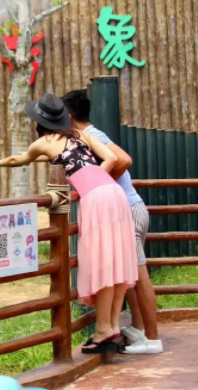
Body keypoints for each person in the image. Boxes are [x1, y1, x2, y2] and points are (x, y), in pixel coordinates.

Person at [0, 93, 139, 354]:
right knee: (115, 263)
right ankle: (111, 326)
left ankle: (102, 331)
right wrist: (97, 178)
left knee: (101, 264)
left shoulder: (44, 142)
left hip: (96, 199)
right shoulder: (82, 134)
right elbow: (110, 158)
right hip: (114, 194)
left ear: (39, 121)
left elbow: (18, 159)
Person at [62, 89, 163, 354]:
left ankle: (153, 339)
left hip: (126, 210)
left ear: (70, 116)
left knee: (139, 277)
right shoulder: (87, 136)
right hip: (127, 208)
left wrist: (98, 182)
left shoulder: (91, 136)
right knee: (126, 275)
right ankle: (140, 330)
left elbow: (123, 160)